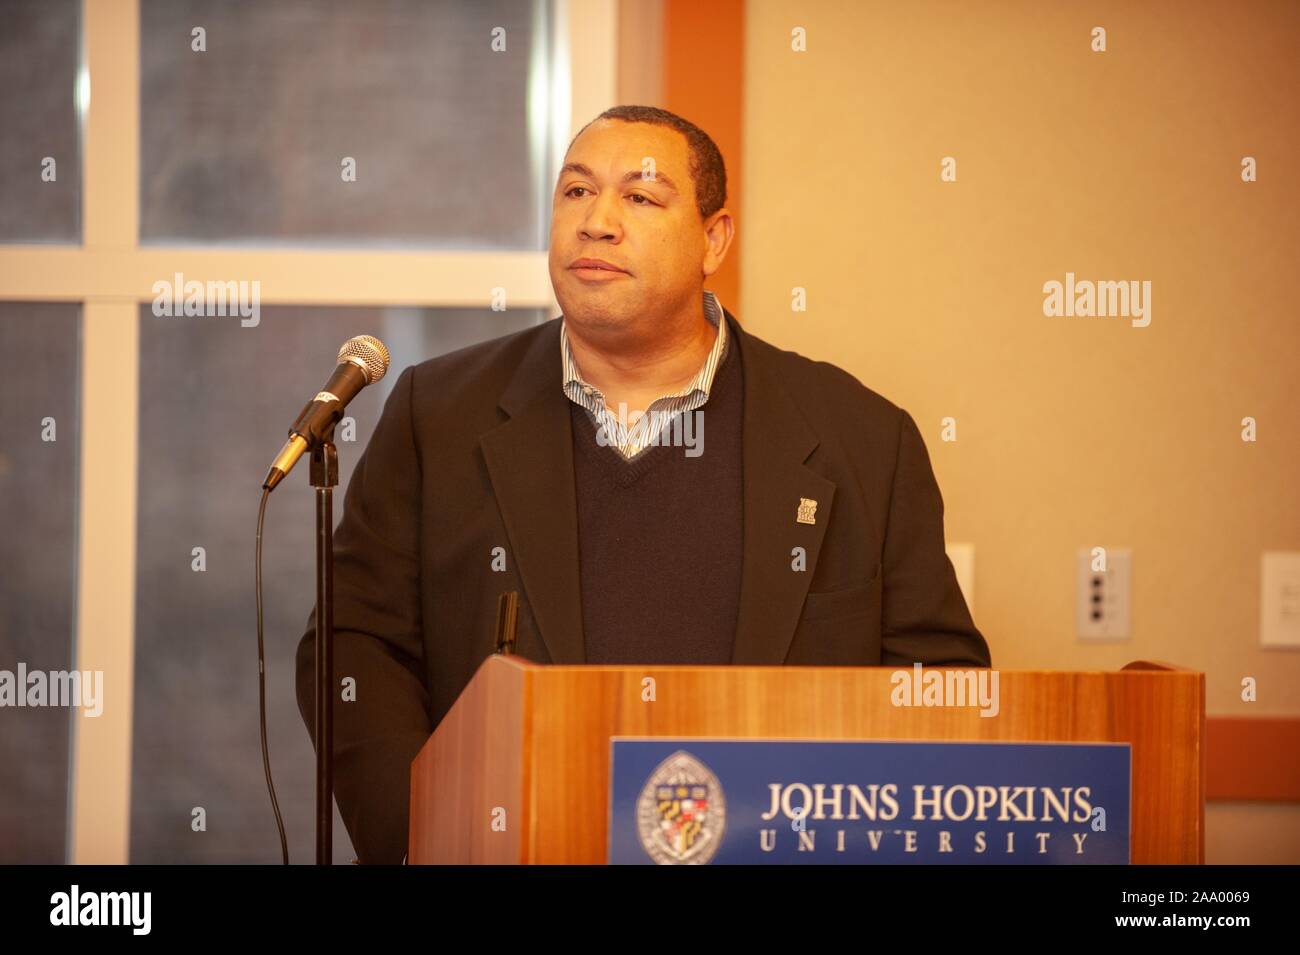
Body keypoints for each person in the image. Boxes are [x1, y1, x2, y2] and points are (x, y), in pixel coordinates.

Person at [296, 105, 991, 864]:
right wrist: (430, 835)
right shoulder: (440, 416)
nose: (596, 222)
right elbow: (352, 645)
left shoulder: (862, 438)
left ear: (713, 239)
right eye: (575, 193)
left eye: (641, 197)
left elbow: (938, 681)